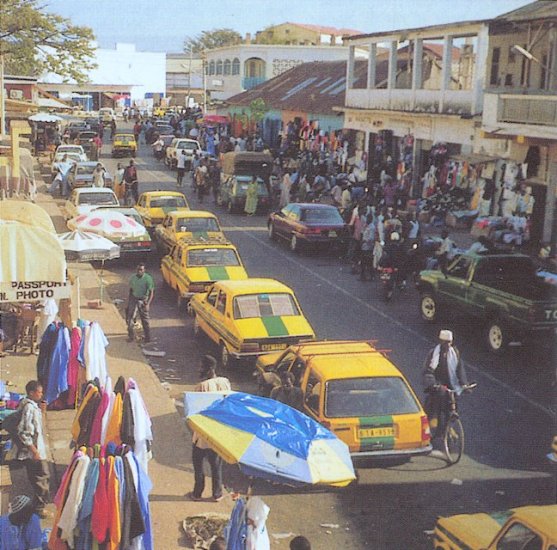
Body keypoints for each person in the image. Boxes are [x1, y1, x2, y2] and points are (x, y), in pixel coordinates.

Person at [188, 356, 230, 502]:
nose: (199, 370)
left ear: (210, 369)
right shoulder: (224, 382)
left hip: (202, 434)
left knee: (198, 466)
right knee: (216, 466)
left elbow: (195, 411)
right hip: (217, 433)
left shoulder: (201, 387)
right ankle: (217, 494)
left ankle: (197, 493)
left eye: (202, 367)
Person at [423, 330, 469, 444]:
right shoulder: (433, 354)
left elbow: (460, 370)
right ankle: (435, 431)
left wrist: (464, 384)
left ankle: (449, 427)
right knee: (435, 408)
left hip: (451, 385)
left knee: (452, 408)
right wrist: (433, 384)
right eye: (445, 342)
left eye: (449, 342)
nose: (448, 345)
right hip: (437, 386)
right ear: (441, 342)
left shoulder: (455, 354)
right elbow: (428, 371)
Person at [16, 381, 50, 519]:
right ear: (31, 393)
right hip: (34, 453)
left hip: (37, 451)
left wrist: (42, 411)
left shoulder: (33, 406)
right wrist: (34, 451)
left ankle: (38, 505)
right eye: (39, 392)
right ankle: (39, 508)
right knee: (41, 479)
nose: (41, 394)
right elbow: (23, 432)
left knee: (41, 479)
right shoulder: (29, 408)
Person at [126, 263, 154, 343]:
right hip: (134, 298)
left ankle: (147, 338)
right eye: (138, 269)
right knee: (130, 317)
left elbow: (151, 292)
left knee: (144, 320)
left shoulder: (148, 279)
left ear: (144, 270)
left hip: (143, 299)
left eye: (141, 270)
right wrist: (129, 302)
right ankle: (131, 336)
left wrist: (148, 304)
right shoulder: (133, 278)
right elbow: (131, 290)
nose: (139, 271)